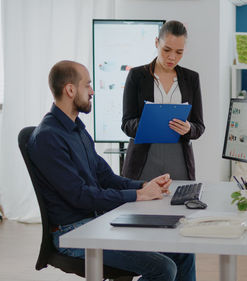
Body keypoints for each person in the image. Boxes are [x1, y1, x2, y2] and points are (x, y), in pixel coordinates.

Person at [28, 60, 196, 281]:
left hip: (97, 221)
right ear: (70, 89)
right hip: (72, 232)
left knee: (184, 252)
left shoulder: (77, 129)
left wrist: (144, 185)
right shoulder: (48, 137)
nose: (92, 91)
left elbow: (105, 176)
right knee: (163, 268)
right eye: (87, 85)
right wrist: (138, 195)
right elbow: (80, 196)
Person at [122, 20, 204, 181]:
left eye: (179, 52)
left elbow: (199, 126)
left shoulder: (191, 78)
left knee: (179, 203)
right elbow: (126, 124)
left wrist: (188, 128)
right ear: (156, 43)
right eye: (167, 49)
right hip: (143, 158)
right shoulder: (137, 76)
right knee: (142, 205)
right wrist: (148, 124)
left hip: (179, 157)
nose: (172, 57)